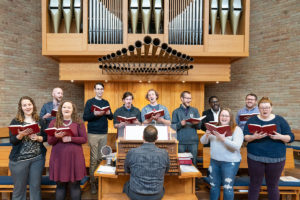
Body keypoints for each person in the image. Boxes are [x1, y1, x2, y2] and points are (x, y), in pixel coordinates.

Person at [244, 97, 294, 200]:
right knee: (254, 185)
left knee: (272, 186)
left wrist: (280, 137)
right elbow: (245, 136)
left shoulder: (280, 120)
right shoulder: (252, 120)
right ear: (258, 108)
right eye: (262, 108)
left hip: (276, 158)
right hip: (255, 157)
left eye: (267, 107)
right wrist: (254, 137)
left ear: (271, 108)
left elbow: (290, 137)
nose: (265, 110)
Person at [9, 96, 47, 200]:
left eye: (29, 104)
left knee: (35, 188)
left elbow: (46, 137)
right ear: (21, 108)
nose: (27, 107)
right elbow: (12, 141)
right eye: (24, 105)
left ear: (33, 106)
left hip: (37, 159)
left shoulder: (40, 120)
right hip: (19, 160)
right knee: (19, 190)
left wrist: (38, 137)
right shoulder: (15, 121)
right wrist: (20, 135)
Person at [200, 108, 244, 200]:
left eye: (226, 116)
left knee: (227, 188)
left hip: (230, 163)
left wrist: (223, 139)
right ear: (219, 116)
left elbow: (237, 146)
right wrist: (207, 134)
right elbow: (203, 141)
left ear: (230, 117)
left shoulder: (236, 129)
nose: (224, 117)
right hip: (214, 162)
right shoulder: (214, 127)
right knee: (213, 187)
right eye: (222, 115)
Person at [48, 100, 87, 200]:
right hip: (59, 158)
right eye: (64, 107)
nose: (66, 109)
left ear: (73, 110)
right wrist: (56, 136)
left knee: (75, 186)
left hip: (75, 158)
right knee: (60, 186)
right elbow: (50, 141)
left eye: (69, 107)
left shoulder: (78, 122)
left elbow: (84, 139)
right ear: (61, 109)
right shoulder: (54, 122)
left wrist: (71, 138)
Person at [123, 125, 170, 200]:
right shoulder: (164, 153)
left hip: (136, 195)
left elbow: (127, 170)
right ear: (157, 138)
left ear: (142, 137)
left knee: (126, 184)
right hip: (157, 194)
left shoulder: (132, 152)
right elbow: (166, 170)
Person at [83, 82, 113, 194]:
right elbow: (85, 117)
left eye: (101, 89)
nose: (100, 91)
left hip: (103, 133)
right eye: (98, 89)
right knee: (94, 159)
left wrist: (109, 113)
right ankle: (93, 183)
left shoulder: (106, 102)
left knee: (102, 158)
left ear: (103, 90)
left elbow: (111, 117)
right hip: (93, 133)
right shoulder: (90, 102)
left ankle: (101, 181)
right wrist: (94, 114)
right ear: (94, 90)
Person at [171, 91, 202, 165]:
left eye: (190, 98)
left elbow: (199, 127)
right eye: (187, 98)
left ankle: (194, 177)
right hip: (181, 141)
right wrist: (180, 124)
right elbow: (173, 127)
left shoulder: (195, 110)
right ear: (181, 99)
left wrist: (196, 123)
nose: (189, 100)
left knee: (194, 163)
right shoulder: (176, 112)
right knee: (181, 163)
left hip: (193, 141)